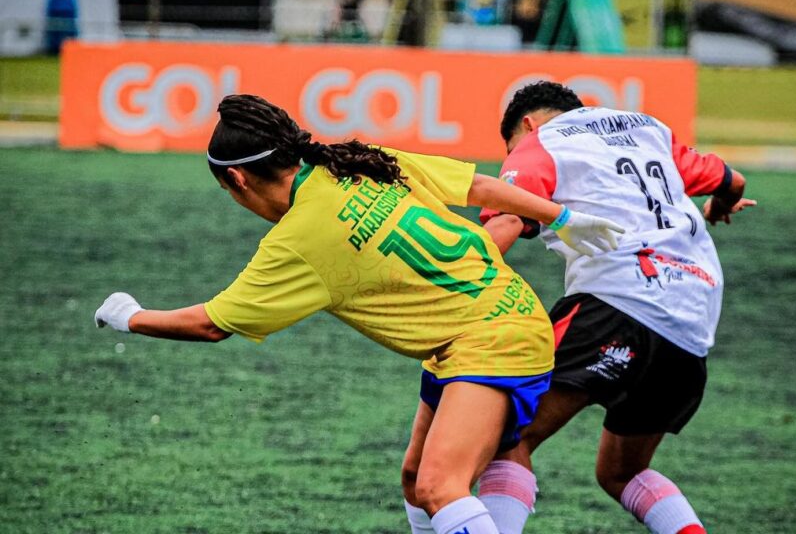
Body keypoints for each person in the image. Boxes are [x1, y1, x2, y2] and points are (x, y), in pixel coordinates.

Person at [94, 94, 624, 534]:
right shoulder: (357, 159)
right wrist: (564, 217)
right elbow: (478, 187)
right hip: (483, 328)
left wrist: (130, 316)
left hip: (492, 340)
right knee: (418, 477)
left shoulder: (296, 240)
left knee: (441, 486)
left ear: (237, 180)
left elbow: (210, 324)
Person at [475, 81, 755, 534]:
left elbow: (507, 218)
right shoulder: (648, 130)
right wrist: (719, 206)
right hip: (693, 320)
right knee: (621, 473)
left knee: (500, 437)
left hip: (616, 302)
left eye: (511, 147)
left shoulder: (542, 141)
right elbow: (732, 180)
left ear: (525, 125)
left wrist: (447, 280)